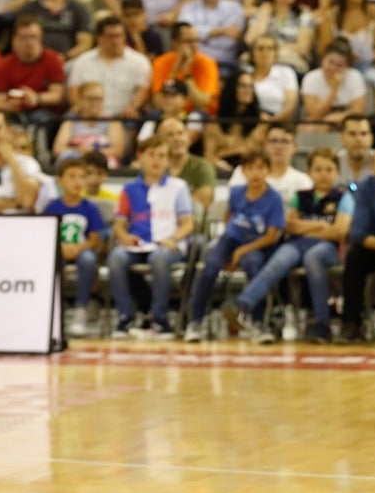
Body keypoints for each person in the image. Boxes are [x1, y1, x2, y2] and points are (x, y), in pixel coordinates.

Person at [227, 146, 353, 343]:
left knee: (314, 258)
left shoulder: (344, 197)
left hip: (328, 248)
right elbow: (288, 225)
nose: (323, 175)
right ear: (310, 172)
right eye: (318, 169)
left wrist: (305, 226)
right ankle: (242, 306)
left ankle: (321, 324)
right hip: (297, 243)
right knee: (279, 260)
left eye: (328, 169)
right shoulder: (300, 196)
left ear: (337, 172)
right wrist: (320, 224)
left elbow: (339, 231)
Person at [183, 148, 286, 341]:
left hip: (257, 244)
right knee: (210, 267)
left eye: (260, 168)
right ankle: (195, 321)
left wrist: (240, 252)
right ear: (243, 171)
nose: (255, 173)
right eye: (250, 168)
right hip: (231, 239)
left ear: (268, 171)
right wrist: (229, 249)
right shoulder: (236, 192)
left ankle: (258, 323)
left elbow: (272, 236)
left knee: (253, 265)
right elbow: (229, 217)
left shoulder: (274, 199)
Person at [109, 134, 196, 338]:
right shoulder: (128, 189)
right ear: (141, 157)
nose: (157, 160)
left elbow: (188, 223)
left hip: (169, 244)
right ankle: (125, 317)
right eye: (152, 155)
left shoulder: (178, 187)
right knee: (115, 258)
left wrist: (174, 238)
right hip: (138, 244)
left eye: (162, 156)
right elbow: (119, 224)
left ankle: (160, 319)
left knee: (159, 258)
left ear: (167, 160)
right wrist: (123, 236)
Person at [47, 154, 108, 337]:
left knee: (89, 259)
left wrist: (78, 248)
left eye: (82, 176)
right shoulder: (52, 207)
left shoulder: (90, 208)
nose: (78, 181)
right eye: (72, 176)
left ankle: (81, 309)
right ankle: (56, 309)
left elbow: (94, 238)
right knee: (52, 262)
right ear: (60, 180)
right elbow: (47, 235)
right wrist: (62, 248)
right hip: (59, 251)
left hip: (82, 250)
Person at [0, 14, 68, 125]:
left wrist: (36, 98)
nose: (29, 42)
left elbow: (57, 96)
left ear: (41, 38)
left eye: (34, 37)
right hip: (14, 113)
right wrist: (11, 104)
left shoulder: (53, 59)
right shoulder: (4, 64)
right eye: (24, 37)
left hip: (44, 112)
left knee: (40, 118)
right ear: (14, 40)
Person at [151, 21, 220, 114]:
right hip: (169, 113)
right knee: (154, 114)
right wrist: (175, 69)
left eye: (196, 41)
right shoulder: (161, 62)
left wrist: (186, 72)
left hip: (198, 117)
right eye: (188, 41)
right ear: (175, 43)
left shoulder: (207, 63)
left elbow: (203, 103)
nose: (194, 46)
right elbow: (157, 102)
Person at [299, 41, 368, 129]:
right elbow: (314, 114)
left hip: (346, 122)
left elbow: (358, 112)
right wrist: (334, 89)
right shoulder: (310, 78)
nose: (333, 68)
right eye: (330, 62)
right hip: (320, 122)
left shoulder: (355, 76)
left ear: (347, 67)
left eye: (339, 65)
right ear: (323, 59)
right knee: (306, 127)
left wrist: (334, 119)